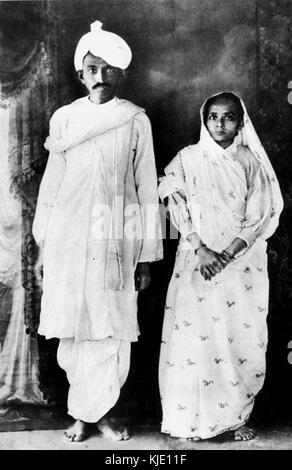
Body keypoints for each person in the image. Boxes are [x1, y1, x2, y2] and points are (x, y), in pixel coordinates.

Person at [33, 20, 163, 442]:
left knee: (111, 327)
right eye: (92, 69)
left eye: (109, 69)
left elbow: (146, 188)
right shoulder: (66, 118)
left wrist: (145, 254)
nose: (100, 77)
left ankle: (103, 413)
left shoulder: (134, 120)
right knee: (73, 327)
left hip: (115, 238)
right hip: (69, 237)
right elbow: (52, 187)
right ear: (80, 74)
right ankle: (81, 414)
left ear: (122, 73)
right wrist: (42, 248)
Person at [158, 92, 283, 442]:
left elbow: (259, 215)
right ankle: (190, 420)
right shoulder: (187, 158)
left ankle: (232, 417)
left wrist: (225, 255)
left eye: (228, 117)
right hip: (197, 260)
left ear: (240, 122)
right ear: (204, 119)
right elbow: (175, 202)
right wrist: (201, 249)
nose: (219, 123)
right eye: (213, 116)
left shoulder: (250, 161)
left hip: (239, 264)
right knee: (194, 337)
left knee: (237, 339)